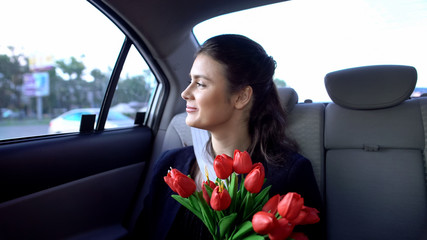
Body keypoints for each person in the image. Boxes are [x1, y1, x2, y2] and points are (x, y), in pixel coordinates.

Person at [130, 34, 322, 239]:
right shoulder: (170, 164)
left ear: (241, 97)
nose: (185, 93)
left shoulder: (290, 173)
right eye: (189, 81)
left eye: (201, 84)